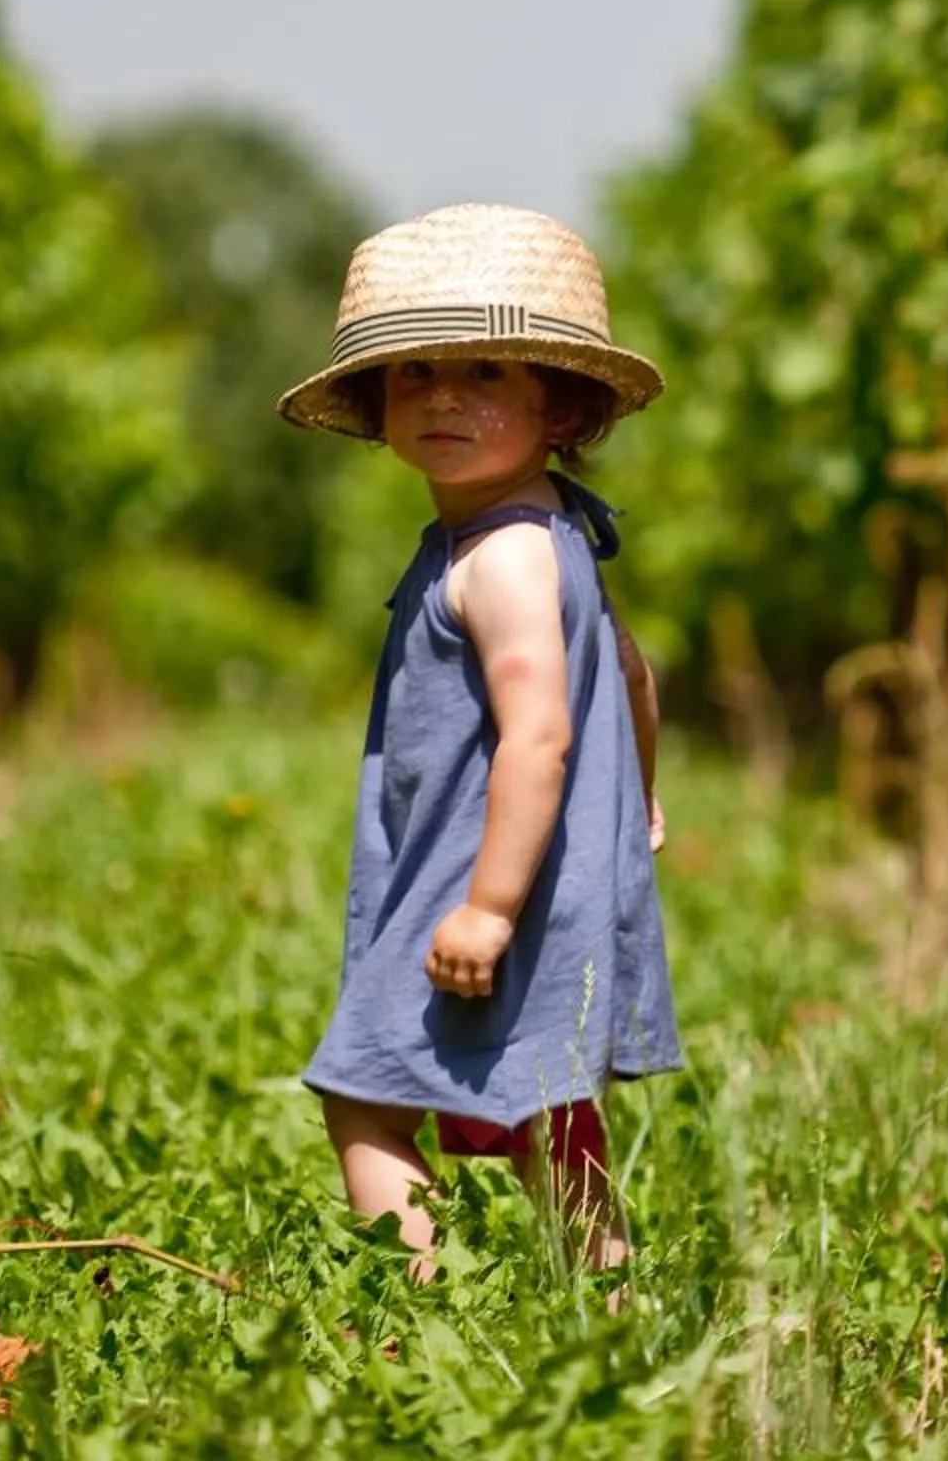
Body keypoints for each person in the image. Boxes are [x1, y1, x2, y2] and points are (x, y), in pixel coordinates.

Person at [279, 202, 680, 1286]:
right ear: (379, 399)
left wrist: (490, 904)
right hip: (536, 867)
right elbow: (631, 667)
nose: (444, 394)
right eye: (415, 373)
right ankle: (604, 1277)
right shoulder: (544, 532)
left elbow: (540, 728)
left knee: (365, 1092)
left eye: (487, 371)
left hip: (486, 875)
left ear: (561, 406)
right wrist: (636, 795)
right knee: (544, 1098)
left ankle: (421, 1299)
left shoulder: (501, 556)